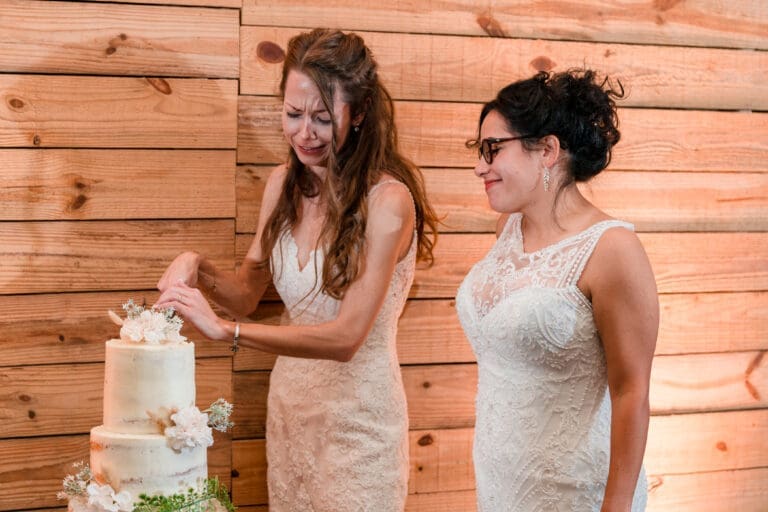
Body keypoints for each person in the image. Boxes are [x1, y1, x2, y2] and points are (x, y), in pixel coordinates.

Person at [155, 28, 439, 511]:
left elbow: (347, 338)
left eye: (322, 119)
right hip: (289, 412)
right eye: (293, 114)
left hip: (358, 424)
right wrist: (196, 265)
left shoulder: (388, 201)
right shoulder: (282, 184)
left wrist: (227, 332)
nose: (304, 133)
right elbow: (247, 291)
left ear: (362, 113)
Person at [455, 69, 658, 511]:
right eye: (480, 151)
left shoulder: (612, 249)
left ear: (547, 149)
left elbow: (631, 393)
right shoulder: (506, 229)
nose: (479, 166)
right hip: (500, 480)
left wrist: (616, 507)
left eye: (493, 150)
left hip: (574, 491)